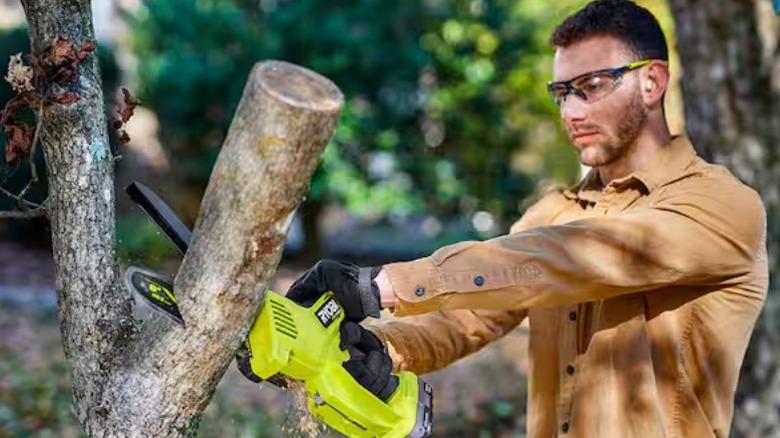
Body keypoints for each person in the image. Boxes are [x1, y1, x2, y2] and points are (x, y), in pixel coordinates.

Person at [285, 1, 768, 436]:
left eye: (591, 86)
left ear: (652, 81)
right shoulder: (552, 212)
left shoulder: (722, 206)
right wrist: (370, 347)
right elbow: (470, 316)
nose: (570, 111)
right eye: (562, 92)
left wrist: (379, 285)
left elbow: (581, 256)